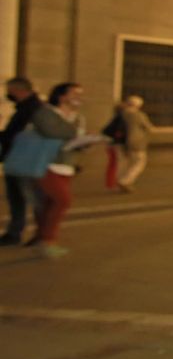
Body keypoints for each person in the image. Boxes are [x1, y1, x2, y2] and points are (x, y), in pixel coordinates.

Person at [26, 83, 105, 258]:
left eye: (81, 94)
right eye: (75, 94)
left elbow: (71, 141)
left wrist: (86, 142)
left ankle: (41, 238)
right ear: (62, 97)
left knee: (49, 203)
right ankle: (48, 241)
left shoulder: (78, 118)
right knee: (63, 201)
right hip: (44, 164)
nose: (79, 98)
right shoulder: (45, 113)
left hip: (66, 165)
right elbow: (52, 131)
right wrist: (79, 135)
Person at [0, 77, 42, 245]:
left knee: (30, 197)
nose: (8, 94)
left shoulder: (32, 109)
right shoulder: (27, 107)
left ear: (18, 90)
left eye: (10, 91)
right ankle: (15, 231)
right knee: (18, 197)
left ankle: (41, 233)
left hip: (25, 159)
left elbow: (17, 134)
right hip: (19, 158)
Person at [102, 96, 152, 194]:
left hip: (120, 142)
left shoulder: (120, 113)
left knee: (122, 163)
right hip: (135, 142)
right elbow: (148, 127)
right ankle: (125, 181)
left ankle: (118, 183)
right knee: (139, 162)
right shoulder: (138, 115)